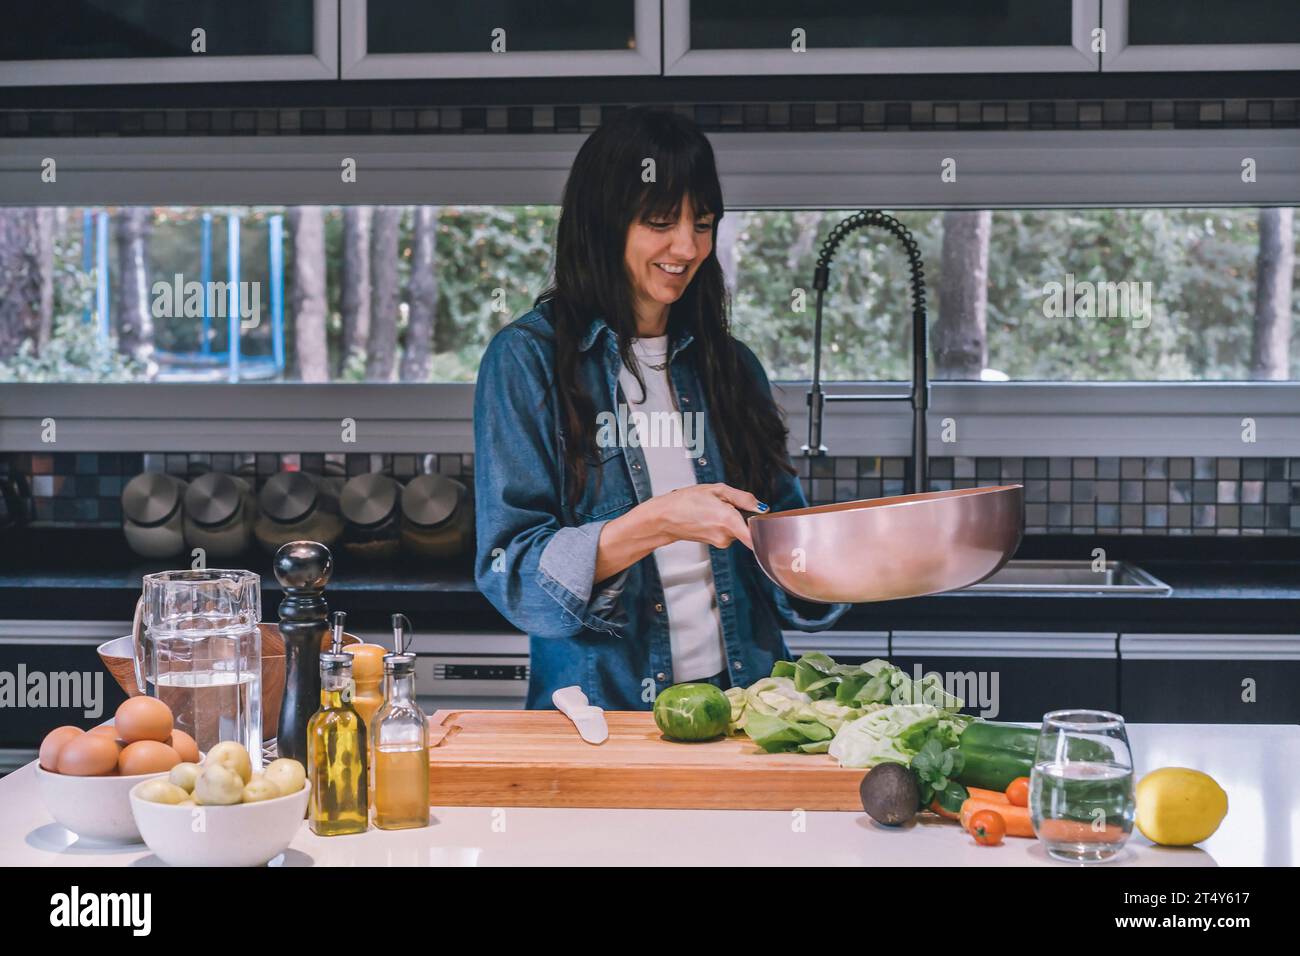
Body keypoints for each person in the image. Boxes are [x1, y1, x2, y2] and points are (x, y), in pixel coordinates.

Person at [474, 107, 848, 709]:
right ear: (603, 223)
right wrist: (659, 521)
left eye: (703, 224)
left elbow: (785, 541)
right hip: (604, 714)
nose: (687, 247)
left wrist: (869, 554)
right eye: (660, 222)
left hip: (749, 709)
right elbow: (513, 572)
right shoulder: (526, 362)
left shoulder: (731, 366)